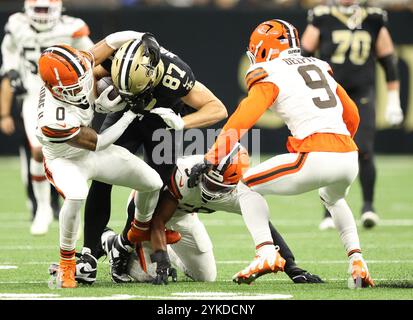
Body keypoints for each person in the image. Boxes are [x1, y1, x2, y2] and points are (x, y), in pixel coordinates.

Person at [190, 19, 374, 288]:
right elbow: (353, 115)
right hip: (348, 156)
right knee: (332, 198)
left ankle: (265, 252)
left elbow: (242, 119)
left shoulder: (270, 72)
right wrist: (339, 143)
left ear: (264, 49)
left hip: (315, 154)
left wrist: (212, 157)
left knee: (247, 186)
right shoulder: (318, 66)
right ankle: (357, 260)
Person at [75, 36, 228, 285]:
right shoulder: (120, 54)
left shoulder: (175, 75)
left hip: (161, 123)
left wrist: (182, 122)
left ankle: (123, 246)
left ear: (153, 75)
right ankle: (89, 253)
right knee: (102, 176)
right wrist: (93, 100)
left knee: (157, 185)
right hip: (124, 113)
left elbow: (217, 108)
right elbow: (90, 72)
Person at [36, 32, 173, 288]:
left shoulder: (82, 64)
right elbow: (99, 141)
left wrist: (147, 39)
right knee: (76, 195)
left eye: (80, 80)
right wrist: (130, 113)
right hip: (65, 161)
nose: (80, 87)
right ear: (54, 89)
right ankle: (67, 263)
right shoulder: (53, 120)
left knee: (153, 183)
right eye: (72, 88)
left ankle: (137, 232)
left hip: (91, 155)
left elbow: (115, 39)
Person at [136, 144, 323, 284]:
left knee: (205, 277)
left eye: (218, 187)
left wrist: (292, 268)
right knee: (147, 274)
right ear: (204, 169)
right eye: (208, 183)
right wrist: (161, 261)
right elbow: (158, 220)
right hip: (149, 211)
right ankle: (118, 244)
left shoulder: (240, 191)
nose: (210, 190)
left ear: (233, 184)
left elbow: (265, 228)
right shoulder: (185, 176)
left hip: (184, 216)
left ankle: (170, 251)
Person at [300, 0, 403, 230]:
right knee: (327, 150)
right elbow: (303, 54)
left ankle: (368, 206)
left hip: (361, 94)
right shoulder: (322, 15)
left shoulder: (374, 17)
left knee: (364, 149)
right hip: (329, 94)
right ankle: (327, 211)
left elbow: (388, 60)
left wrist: (394, 99)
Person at [0, 0, 94, 235]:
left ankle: (72, 208)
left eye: (46, 9)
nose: (41, 15)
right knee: (38, 150)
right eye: (37, 9)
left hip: (68, 95)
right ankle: (42, 207)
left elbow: (91, 56)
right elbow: (9, 49)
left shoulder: (72, 27)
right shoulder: (17, 24)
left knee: (75, 150)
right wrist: (11, 69)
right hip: (35, 93)